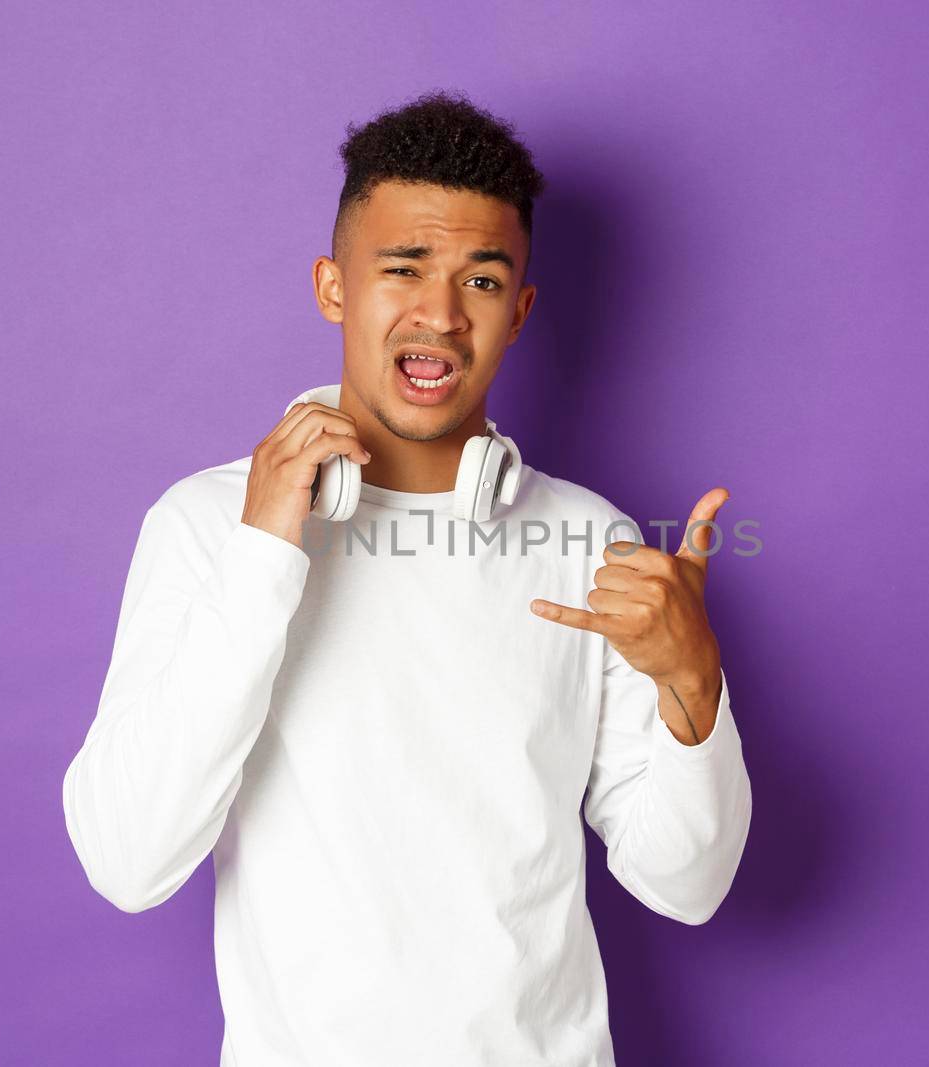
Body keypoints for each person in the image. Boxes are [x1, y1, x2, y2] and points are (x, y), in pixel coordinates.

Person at [61, 89, 753, 1066]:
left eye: (479, 280)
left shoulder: (591, 539)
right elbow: (128, 859)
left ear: (518, 312)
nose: (438, 314)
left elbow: (689, 882)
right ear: (333, 287)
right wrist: (263, 552)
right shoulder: (208, 526)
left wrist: (692, 685)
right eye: (402, 269)